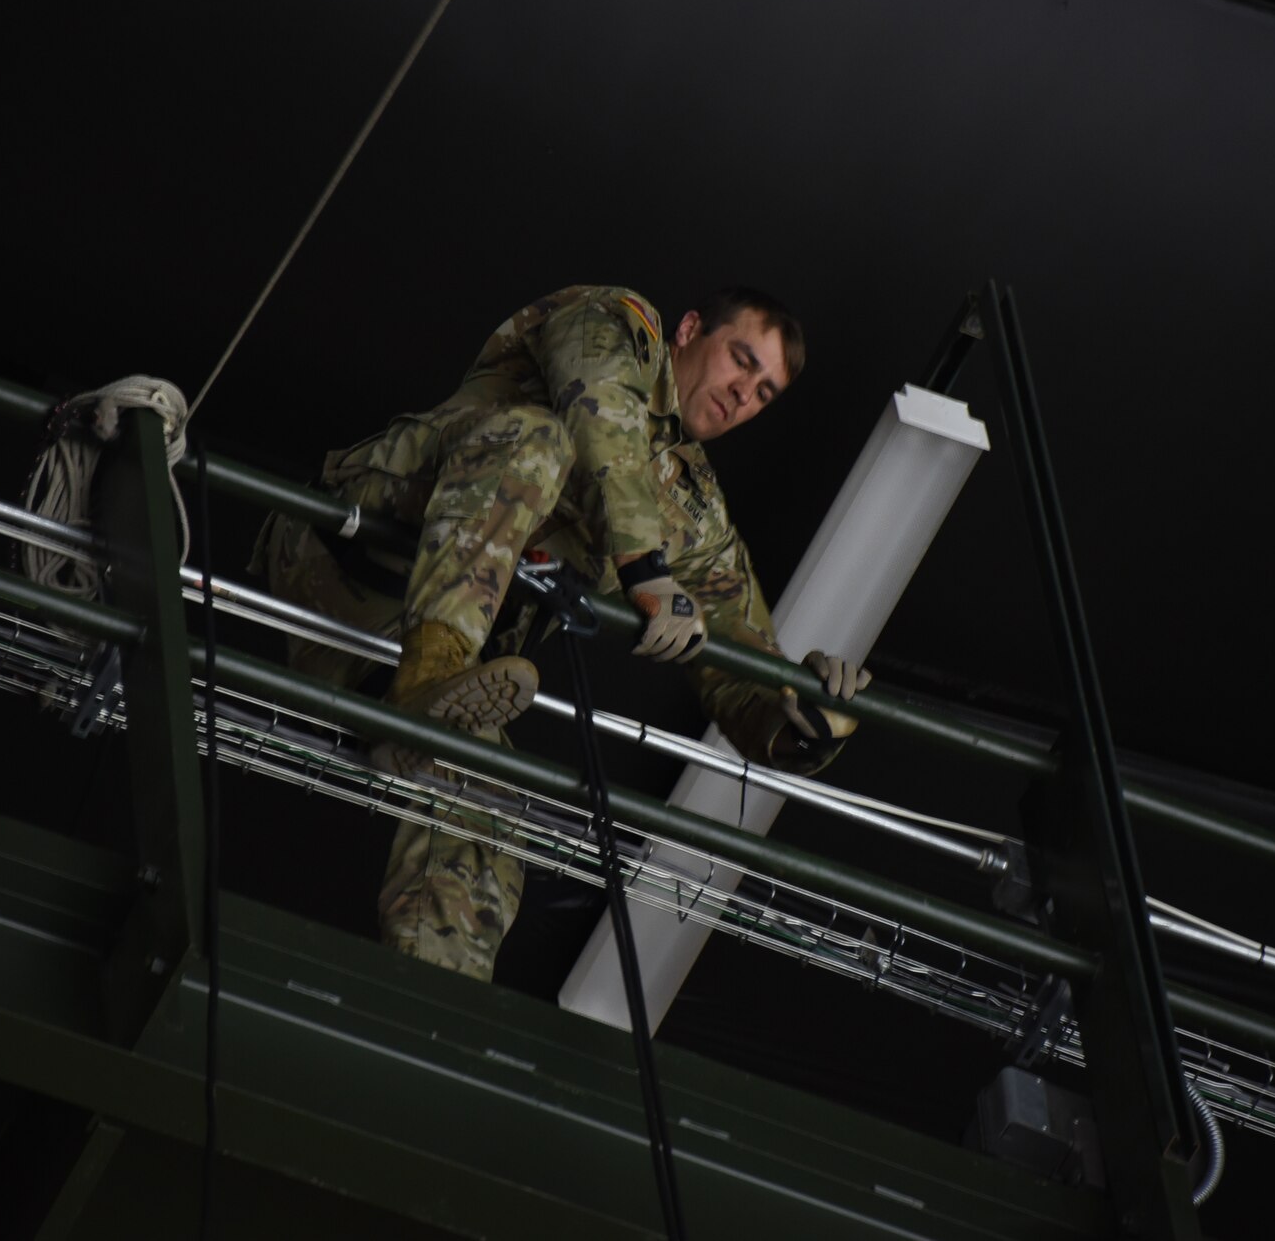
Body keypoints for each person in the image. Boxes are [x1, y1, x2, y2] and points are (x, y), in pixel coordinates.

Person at [251, 284, 870, 981]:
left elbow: (741, 657)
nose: (741, 393)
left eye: (763, 392)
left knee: (487, 805)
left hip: (384, 672)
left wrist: (808, 717)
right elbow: (599, 415)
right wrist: (646, 567)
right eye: (739, 359)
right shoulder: (611, 324)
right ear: (691, 329)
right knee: (538, 439)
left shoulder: (694, 509)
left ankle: (427, 1012)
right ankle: (426, 686)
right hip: (346, 556)